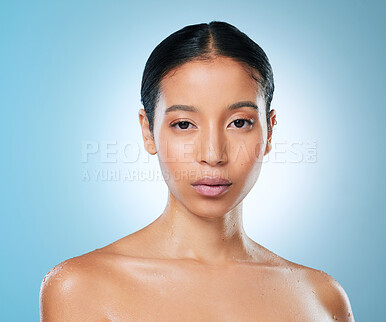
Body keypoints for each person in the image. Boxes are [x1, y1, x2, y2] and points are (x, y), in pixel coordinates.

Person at [39, 21, 354, 321]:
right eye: (184, 124)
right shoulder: (81, 288)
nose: (213, 155)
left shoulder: (321, 297)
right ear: (147, 131)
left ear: (269, 132)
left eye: (239, 122)